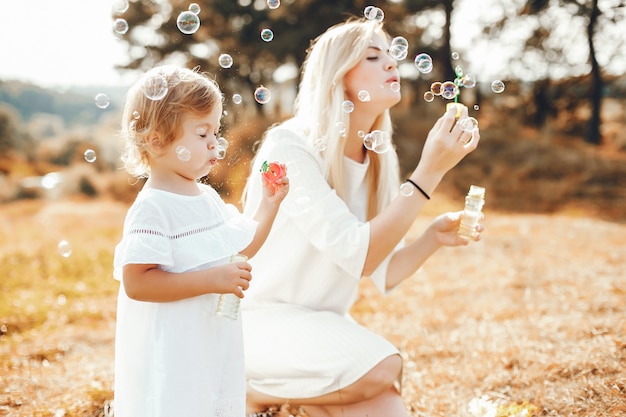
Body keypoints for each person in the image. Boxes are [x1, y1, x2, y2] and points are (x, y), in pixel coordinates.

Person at [241, 17, 482, 417]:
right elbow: (361, 254)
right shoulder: (289, 146)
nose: (391, 64)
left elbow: (383, 268)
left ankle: (299, 396)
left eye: (392, 55)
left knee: (389, 406)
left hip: (319, 327)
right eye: (373, 56)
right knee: (385, 366)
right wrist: (430, 171)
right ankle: (252, 389)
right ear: (338, 77)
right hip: (259, 323)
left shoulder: (379, 159)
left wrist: (430, 239)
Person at [112, 65, 289, 417]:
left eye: (216, 132)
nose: (215, 143)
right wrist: (211, 280)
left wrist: (269, 205)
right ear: (157, 140)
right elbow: (137, 282)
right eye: (202, 133)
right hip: (173, 351)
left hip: (208, 342)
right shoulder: (153, 208)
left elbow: (238, 248)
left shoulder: (206, 199)